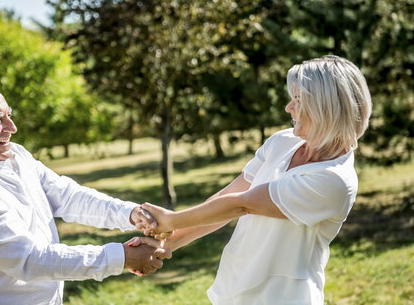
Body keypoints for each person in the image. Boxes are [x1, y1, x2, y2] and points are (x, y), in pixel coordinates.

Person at [139, 55, 372, 304]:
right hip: (236, 286)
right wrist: (169, 243)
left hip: (283, 297)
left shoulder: (333, 181)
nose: (288, 108)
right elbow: (224, 200)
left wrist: (170, 220)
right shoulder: (283, 141)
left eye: (298, 100)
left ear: (326, 108)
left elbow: (241, 204)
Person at [0, 81, 171, 305]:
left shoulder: (16, 155)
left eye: (9, 116)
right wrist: (122, 257)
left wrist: (130, 213)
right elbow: (29, 259)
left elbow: (68, 196)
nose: (12, 128)